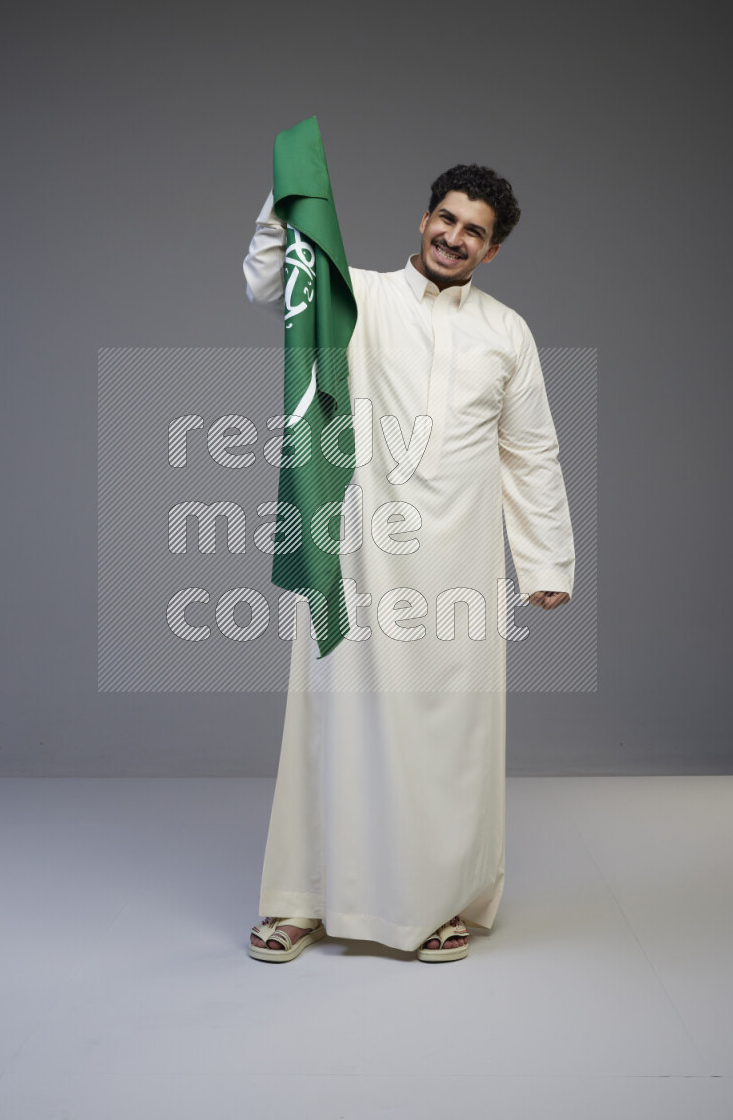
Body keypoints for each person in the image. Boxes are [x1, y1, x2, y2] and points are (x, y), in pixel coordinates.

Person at [243, 162, 575, 963]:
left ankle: (435, 901)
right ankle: (303, 900)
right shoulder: (355, 295)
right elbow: (267, 279)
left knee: (448, 734)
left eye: (474, 232)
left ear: (491, 250)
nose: (455, 238)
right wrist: (288, 187)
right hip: (357, 550)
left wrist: (545, 562)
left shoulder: (507, 332)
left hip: (460, 563)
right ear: (424, 218)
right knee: (333, 719)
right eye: (447, 219)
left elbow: (530, 449)